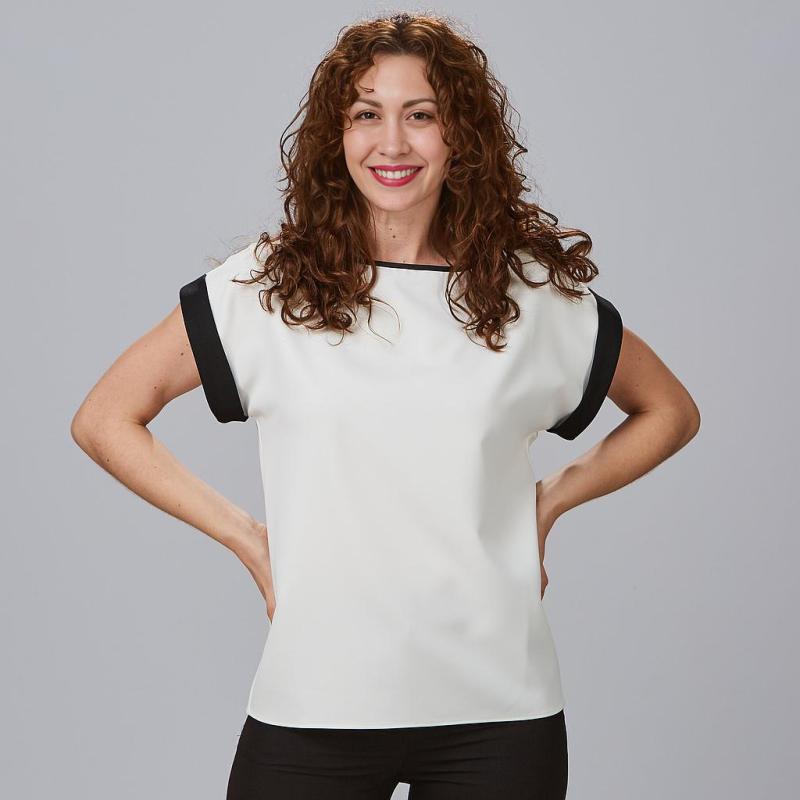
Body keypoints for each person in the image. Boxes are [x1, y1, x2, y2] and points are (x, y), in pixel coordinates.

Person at [71, 12, 700, 800]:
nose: (392, 143)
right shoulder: (268, 291)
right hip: (315, 699)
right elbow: (105, 418)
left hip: (499, 709)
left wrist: (550, 503)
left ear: (461, 135)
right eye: (367, 114)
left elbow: (669, 410)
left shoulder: (530, 299)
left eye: (421, 114)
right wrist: (248, 538)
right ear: (337, 135)